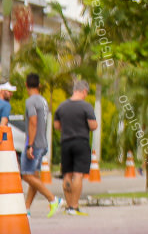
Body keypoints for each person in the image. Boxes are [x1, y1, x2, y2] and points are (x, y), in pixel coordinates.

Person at [53, 80, 98, 216]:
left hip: (66, 143)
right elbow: (93, 125)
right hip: (81, 142)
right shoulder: (86, 107)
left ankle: (68, 206)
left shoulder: (61, 107)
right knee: (78, 174)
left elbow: (57, 126)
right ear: (84, 91)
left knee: (67, 174)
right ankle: (75, 206)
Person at [21, 74, 63, 217]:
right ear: (39, 85)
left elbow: (33, 122)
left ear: (26, 84)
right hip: (42, 142)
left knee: (25, 175)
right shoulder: (43, 100)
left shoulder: (30, 101)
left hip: (35, 144)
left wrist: (30, 145)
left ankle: (53, 199)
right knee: (34, 176)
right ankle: (26, 209)